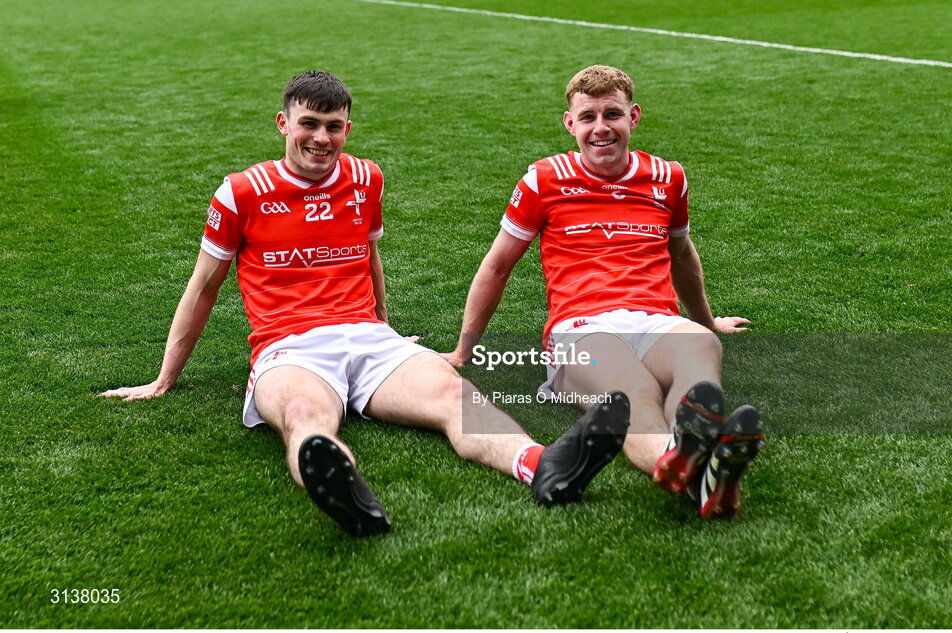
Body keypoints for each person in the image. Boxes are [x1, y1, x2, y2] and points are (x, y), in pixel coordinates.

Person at [101, 70, 629, 538]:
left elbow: (369, 257)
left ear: (347, 129)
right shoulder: (241, 192)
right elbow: (203, 287)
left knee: (453, 394)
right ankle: (343, 492)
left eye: (333, 126)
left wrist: (386, 327)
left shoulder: (366, 177)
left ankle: (543, 465)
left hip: (371, 340)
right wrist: (164, 377)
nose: (321, 138)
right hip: (288, 348)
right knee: (305, 415)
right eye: (309, 124)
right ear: (283, 124)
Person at [442, 65, 764, 519]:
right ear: (570, 124)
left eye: (611, 114)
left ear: (633, 116)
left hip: (657, 318)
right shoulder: (543, 180)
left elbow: (682, 255)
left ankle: (694, 452)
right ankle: (695, 470)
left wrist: (706, 320)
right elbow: (497, 266)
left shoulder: (667, 177)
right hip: (581, 329)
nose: (600, 128)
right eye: (587, 117)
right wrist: (462, 350)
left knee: (699, 347)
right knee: (631, 394)